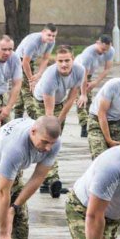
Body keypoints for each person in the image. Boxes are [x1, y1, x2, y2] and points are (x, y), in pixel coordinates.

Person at [31, 45, 85, 197]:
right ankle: (52, 179)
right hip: (43, 101)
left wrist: (60, 121)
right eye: (60, 61)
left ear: (73, 60)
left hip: (61, 102)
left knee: (56, 137)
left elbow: (71, 98)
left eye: (67, 60)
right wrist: (54, 124)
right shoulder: (50, 76)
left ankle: (44, 182)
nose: (63, 64)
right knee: (49, 140)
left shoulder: (79, 71)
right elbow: (49, 115)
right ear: (56, 61)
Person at [13, 23, 57, 118]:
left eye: (53, 36)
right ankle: (35, 117)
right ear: (43, 33)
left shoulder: (51, 42)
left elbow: (45, 59)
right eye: (49, 35)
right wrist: (31, 80)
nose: (51, 38)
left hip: (30, 62)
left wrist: (39, 74)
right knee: (28, 90)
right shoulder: (33, 42)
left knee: (22, 90)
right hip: (19, 61)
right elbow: (25, 62)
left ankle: (17, 117)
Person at [74, 35, 114, 139]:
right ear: (97, 43)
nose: (104, 52)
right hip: (78, 72)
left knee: (89, 100)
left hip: (89, 73)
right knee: (82, 100)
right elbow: (83, 75)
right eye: (102, 49)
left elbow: (107, 69)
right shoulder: (88, 54)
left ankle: (89, 124)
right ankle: (84, 127)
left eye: (107, 49)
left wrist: (95, 82)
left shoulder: (110, 51)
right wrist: (83, 94)